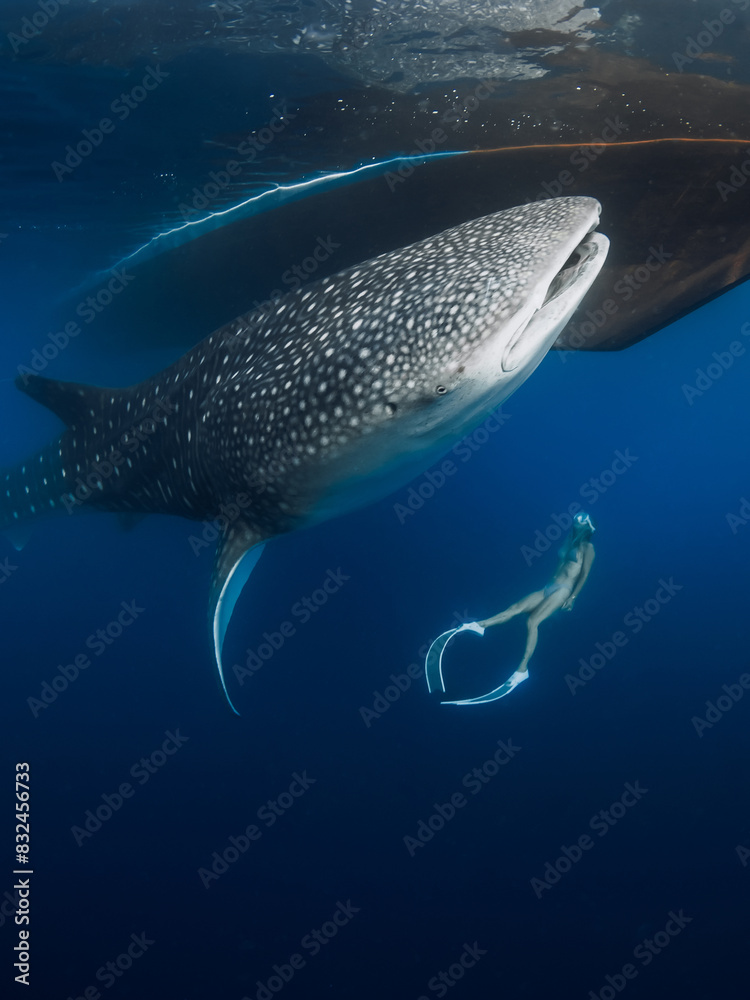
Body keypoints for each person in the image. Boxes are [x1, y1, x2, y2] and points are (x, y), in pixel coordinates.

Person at [425, 512, 596, 705]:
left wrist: (573, 597)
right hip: (548, 587)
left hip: (564, 590)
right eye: (575, 522)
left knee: (532, 622)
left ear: (588, 527)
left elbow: (584, 575)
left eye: (581, 523)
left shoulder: (588, 548)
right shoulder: (568, 541)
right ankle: (479, 626)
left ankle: (522, 670)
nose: (576, 524)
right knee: (514, 608)